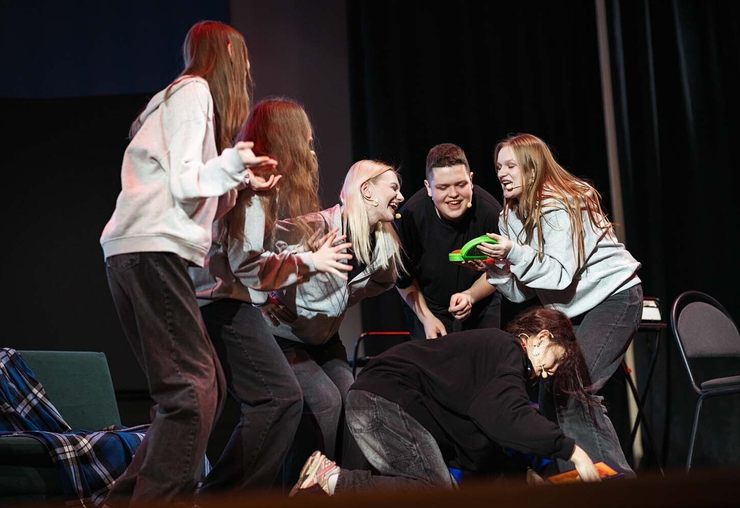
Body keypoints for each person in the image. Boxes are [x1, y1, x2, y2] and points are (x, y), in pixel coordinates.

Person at [99, 20, 278, 504]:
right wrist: (234, 163)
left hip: (140, 253)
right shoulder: (193, 91)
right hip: (151, 252)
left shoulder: (176, 101)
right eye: (243, 56)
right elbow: (185, 182)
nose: (248, 67)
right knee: (191, 390)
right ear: (225, 52)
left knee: (198, 387)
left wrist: (240, 182)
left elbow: (195, 199)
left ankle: (125, 499)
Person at [190, 97, 353, 494]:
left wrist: (268, 297)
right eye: (306, 142)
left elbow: (241, 260)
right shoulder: (256, 185)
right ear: (288, 141)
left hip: (226, 301)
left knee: (280, 400)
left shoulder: (256, 183)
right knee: (278, 399)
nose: (312, 150)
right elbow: (245, 263)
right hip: (217, 305)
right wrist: (311, 261)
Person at [289, 307, 601, 496]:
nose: (549, 373)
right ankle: (327, 479)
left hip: (381, 401)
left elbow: (482, 437)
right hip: (384, 401)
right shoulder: (507, 349)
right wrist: (573, 452)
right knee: (435, 491)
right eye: (555, 361)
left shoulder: (493, 362)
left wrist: (522, 476)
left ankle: (320, 489)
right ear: (542, 339)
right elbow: (508, 416)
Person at [475, 132, 643, 475]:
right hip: (568, 312)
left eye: (510, 166)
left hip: (613, 297)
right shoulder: (509, 217)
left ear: (532, 168)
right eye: (498, 167)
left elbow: (559, 275)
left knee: (573, 386)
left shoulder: (563, 205)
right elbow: (522, 292)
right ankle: (576, 481)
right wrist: (496, 269)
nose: (502, 173)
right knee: (551, 396)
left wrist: (513, 252)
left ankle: (616, 485)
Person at [255, 159, 406, 486]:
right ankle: (299, 488)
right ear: (367, 190)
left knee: (353, 400)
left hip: (324, 340)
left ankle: (343, 486)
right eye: (393, 188)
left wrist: (345, 298)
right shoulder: (314, 228)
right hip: (286, 338)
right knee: (325, 401)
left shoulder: (381, 242)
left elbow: (384, 281)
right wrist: (264, 299)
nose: (400, 196)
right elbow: (252, 255)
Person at [395, 143, 503, 339]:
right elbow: (403, 280)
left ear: (471, 180)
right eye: (443, 187)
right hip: (427, 309)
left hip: (481, 305)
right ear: (428, 188)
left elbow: (502, 269)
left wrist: (470, 295)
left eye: (460, 185)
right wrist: (427, 318)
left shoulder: (490, 212)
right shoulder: (411, 217)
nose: (453, 194)